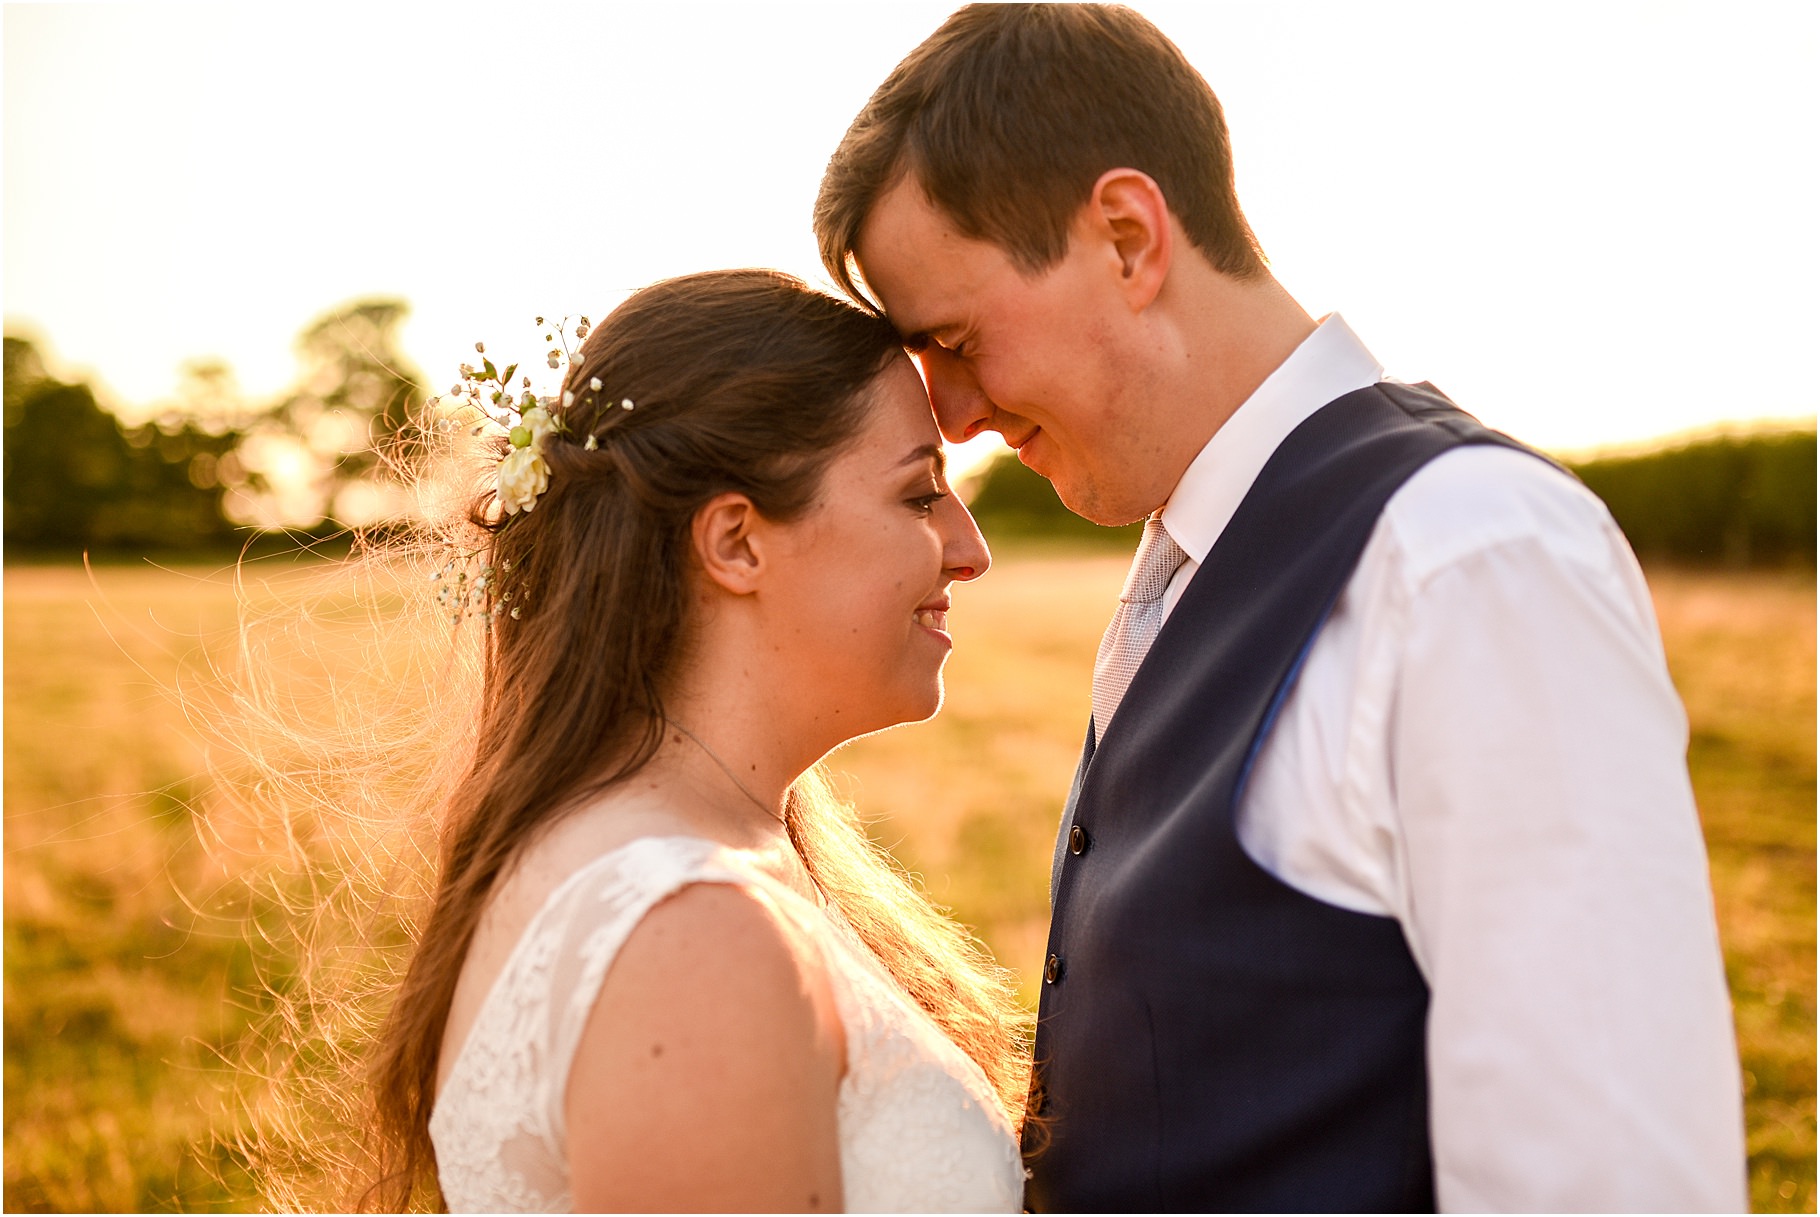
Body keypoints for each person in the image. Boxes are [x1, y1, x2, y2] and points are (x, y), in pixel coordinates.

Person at [814, 5, 1747, 1211]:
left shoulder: (1463, 557)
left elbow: (1605, 1178)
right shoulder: (1189, 547)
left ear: (1124, 235)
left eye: (954, 337)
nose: (948, 414)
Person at [365, 270, 1028, 1211]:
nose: (970, 548)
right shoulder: (693, 936)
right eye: (920, 494)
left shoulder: (694, 857)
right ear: (735, 542)